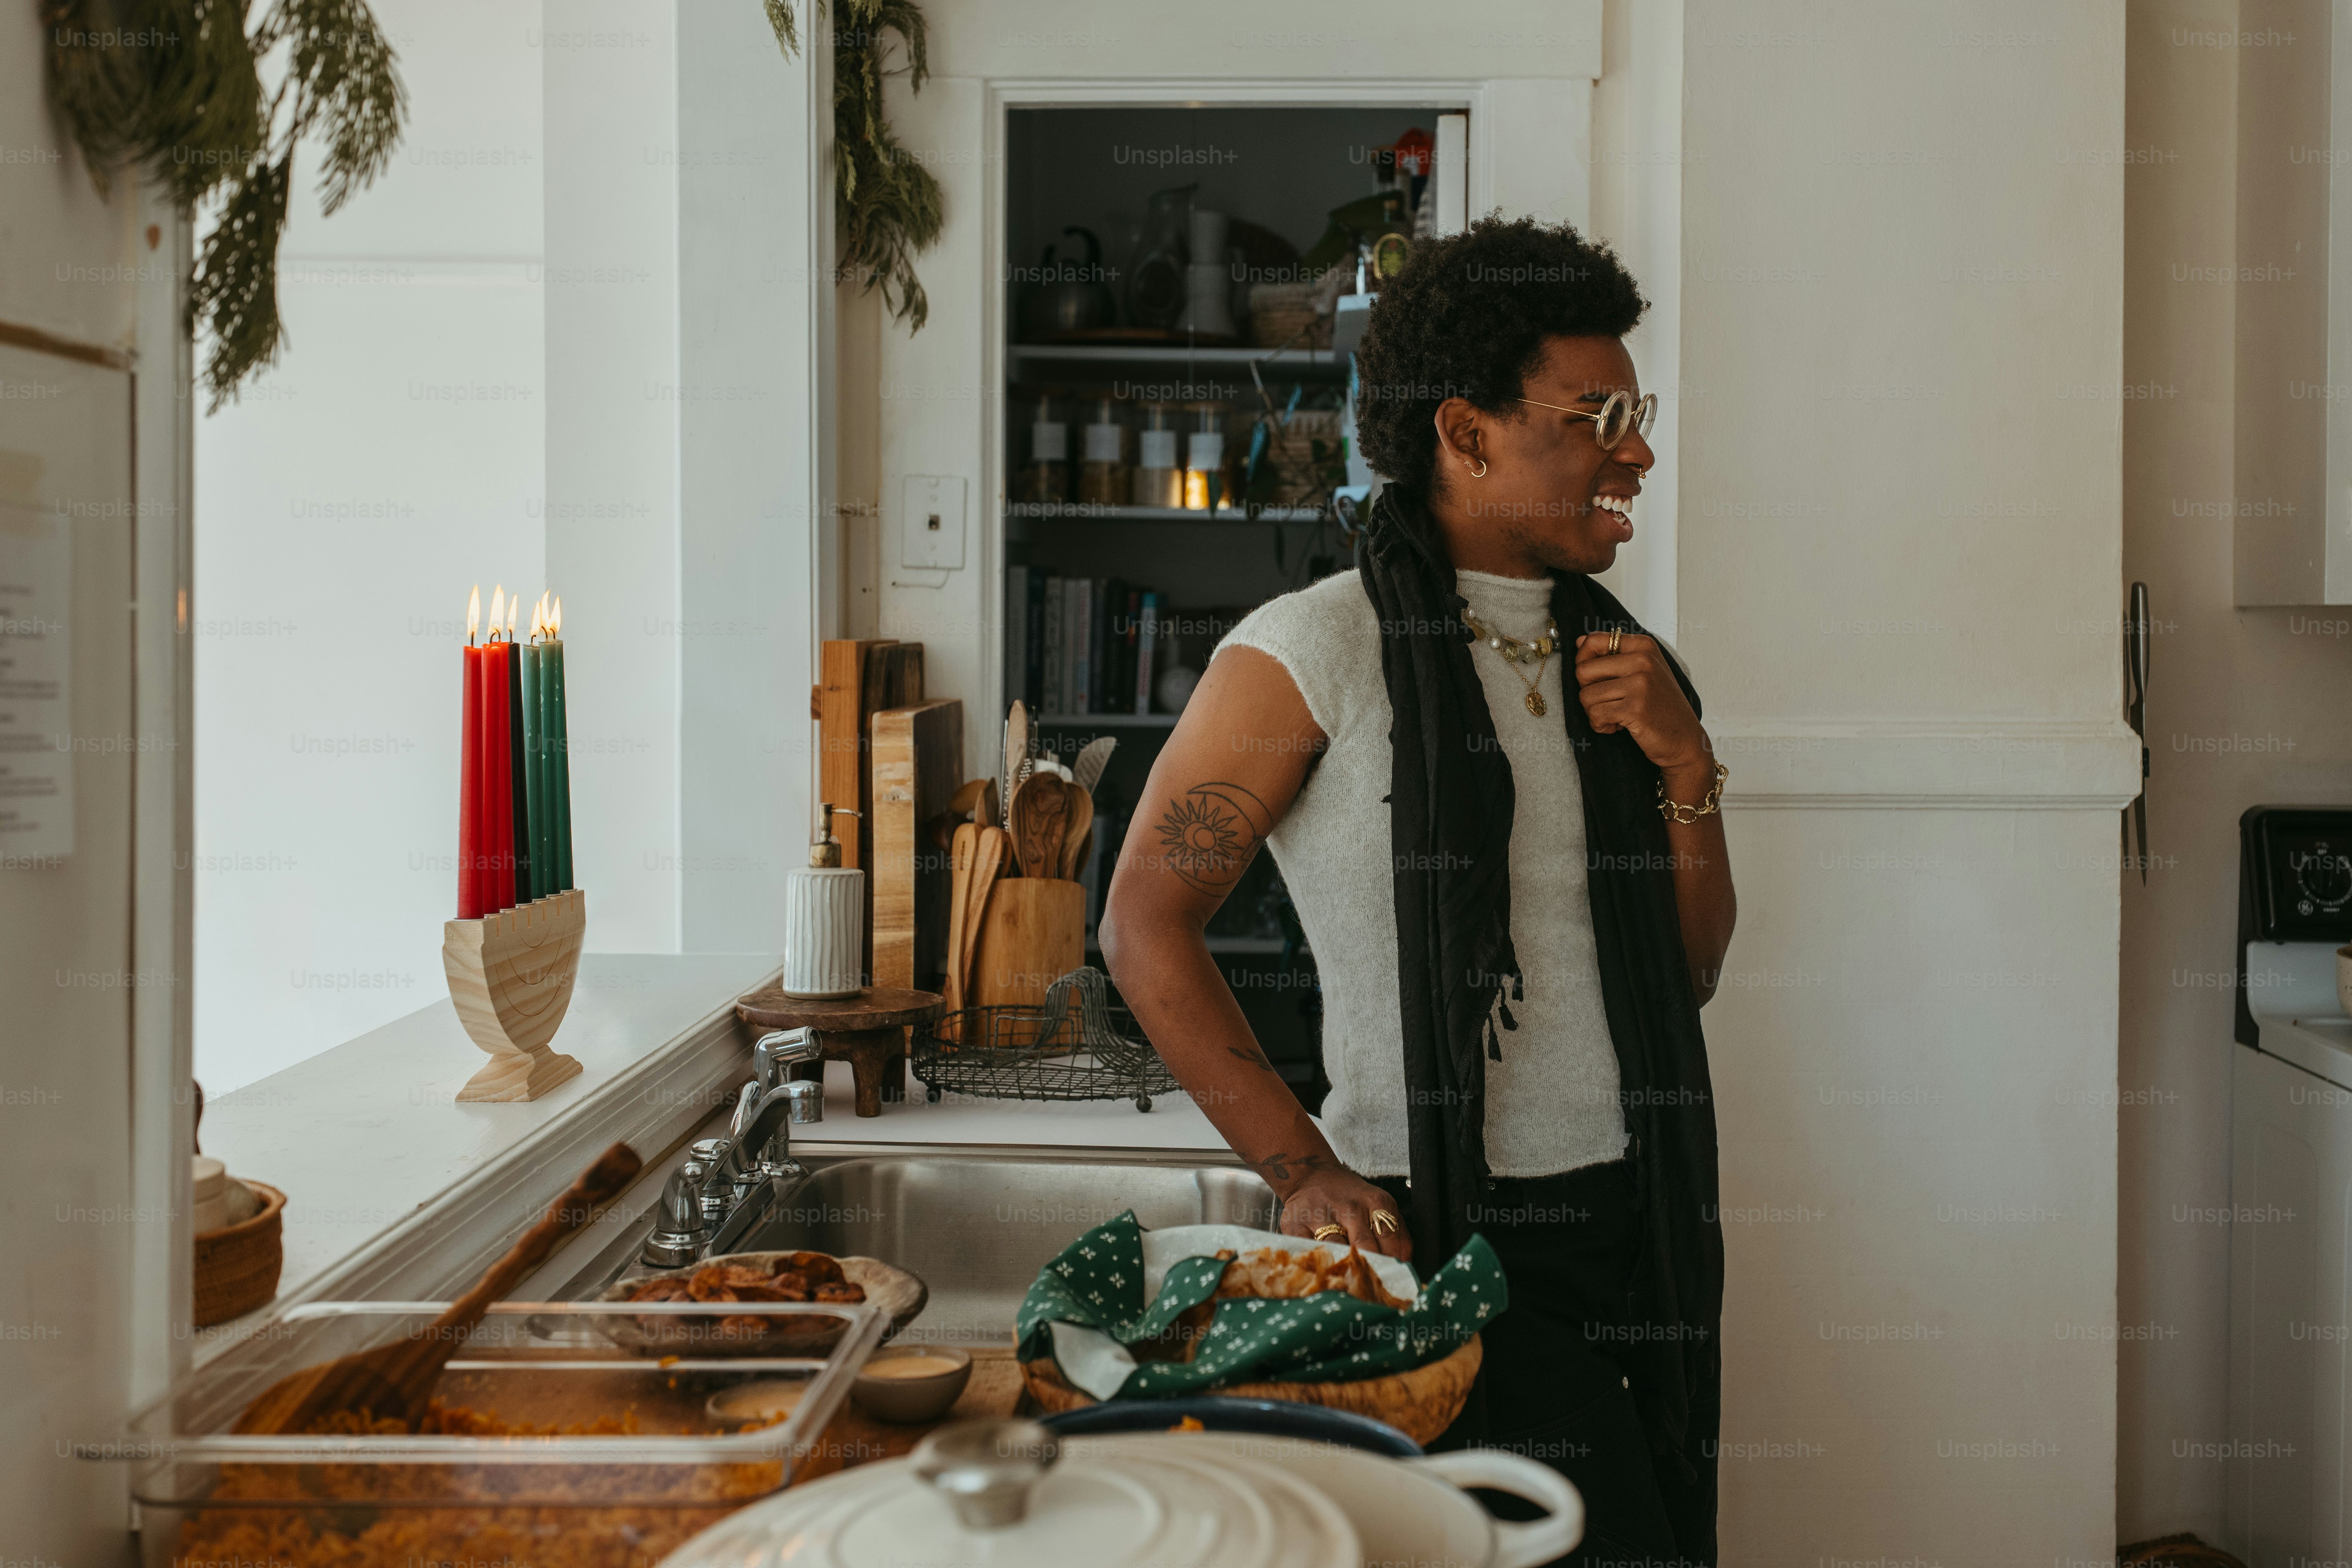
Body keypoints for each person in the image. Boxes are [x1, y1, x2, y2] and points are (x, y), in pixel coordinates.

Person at [1100, 214, 1733, 1566]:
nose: (1637, 449)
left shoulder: (1627, 663)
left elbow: (1684, 975)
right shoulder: (1310, 652)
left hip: (1623, 1218)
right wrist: (1300, 1166)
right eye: (1596, 414)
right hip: (1427, 1225)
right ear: (1465, 432)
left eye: (1640, 411)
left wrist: (1685, 762)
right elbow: (1143, 920)